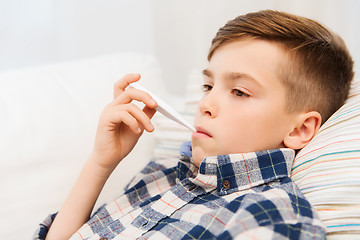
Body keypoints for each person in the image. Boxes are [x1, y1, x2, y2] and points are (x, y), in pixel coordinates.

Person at [34, 10, 354, 240]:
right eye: (207, 86)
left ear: (300, 130)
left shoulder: (271, 217)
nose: (205, 104)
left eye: (239, 92)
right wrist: (101, 163)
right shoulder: (158, 176)